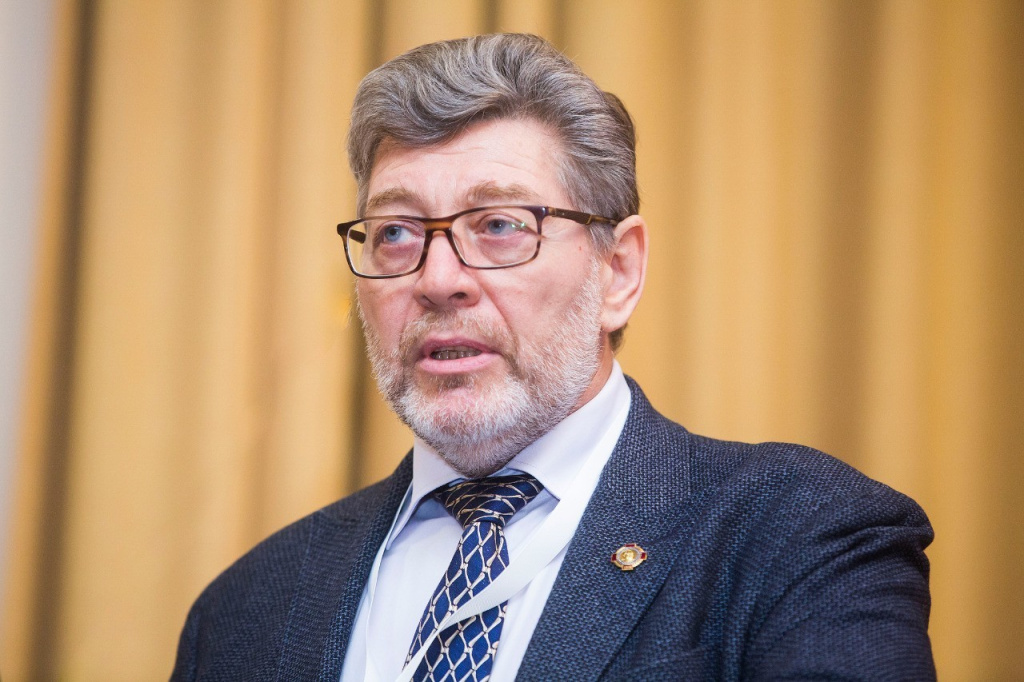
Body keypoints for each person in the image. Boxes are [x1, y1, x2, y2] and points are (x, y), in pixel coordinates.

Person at [171, 33, 934, 681]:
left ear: (618, 272)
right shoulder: (244, 610)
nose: (437, 280)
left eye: (499, 225)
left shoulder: (800, 540)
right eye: (396, 233)